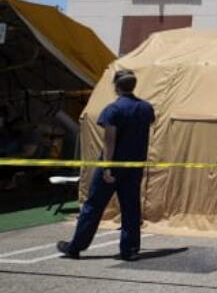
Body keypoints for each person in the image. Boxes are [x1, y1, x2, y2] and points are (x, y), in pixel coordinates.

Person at [58, 69, 154, 261]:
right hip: (134, 166)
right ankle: (130, 248)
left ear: (116, 86)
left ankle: (76, 246)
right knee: (131, 207)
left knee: (93, 206)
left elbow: (110, 140)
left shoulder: (113, 110)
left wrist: (107, 167)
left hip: (113, 165)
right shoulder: (146, 108)